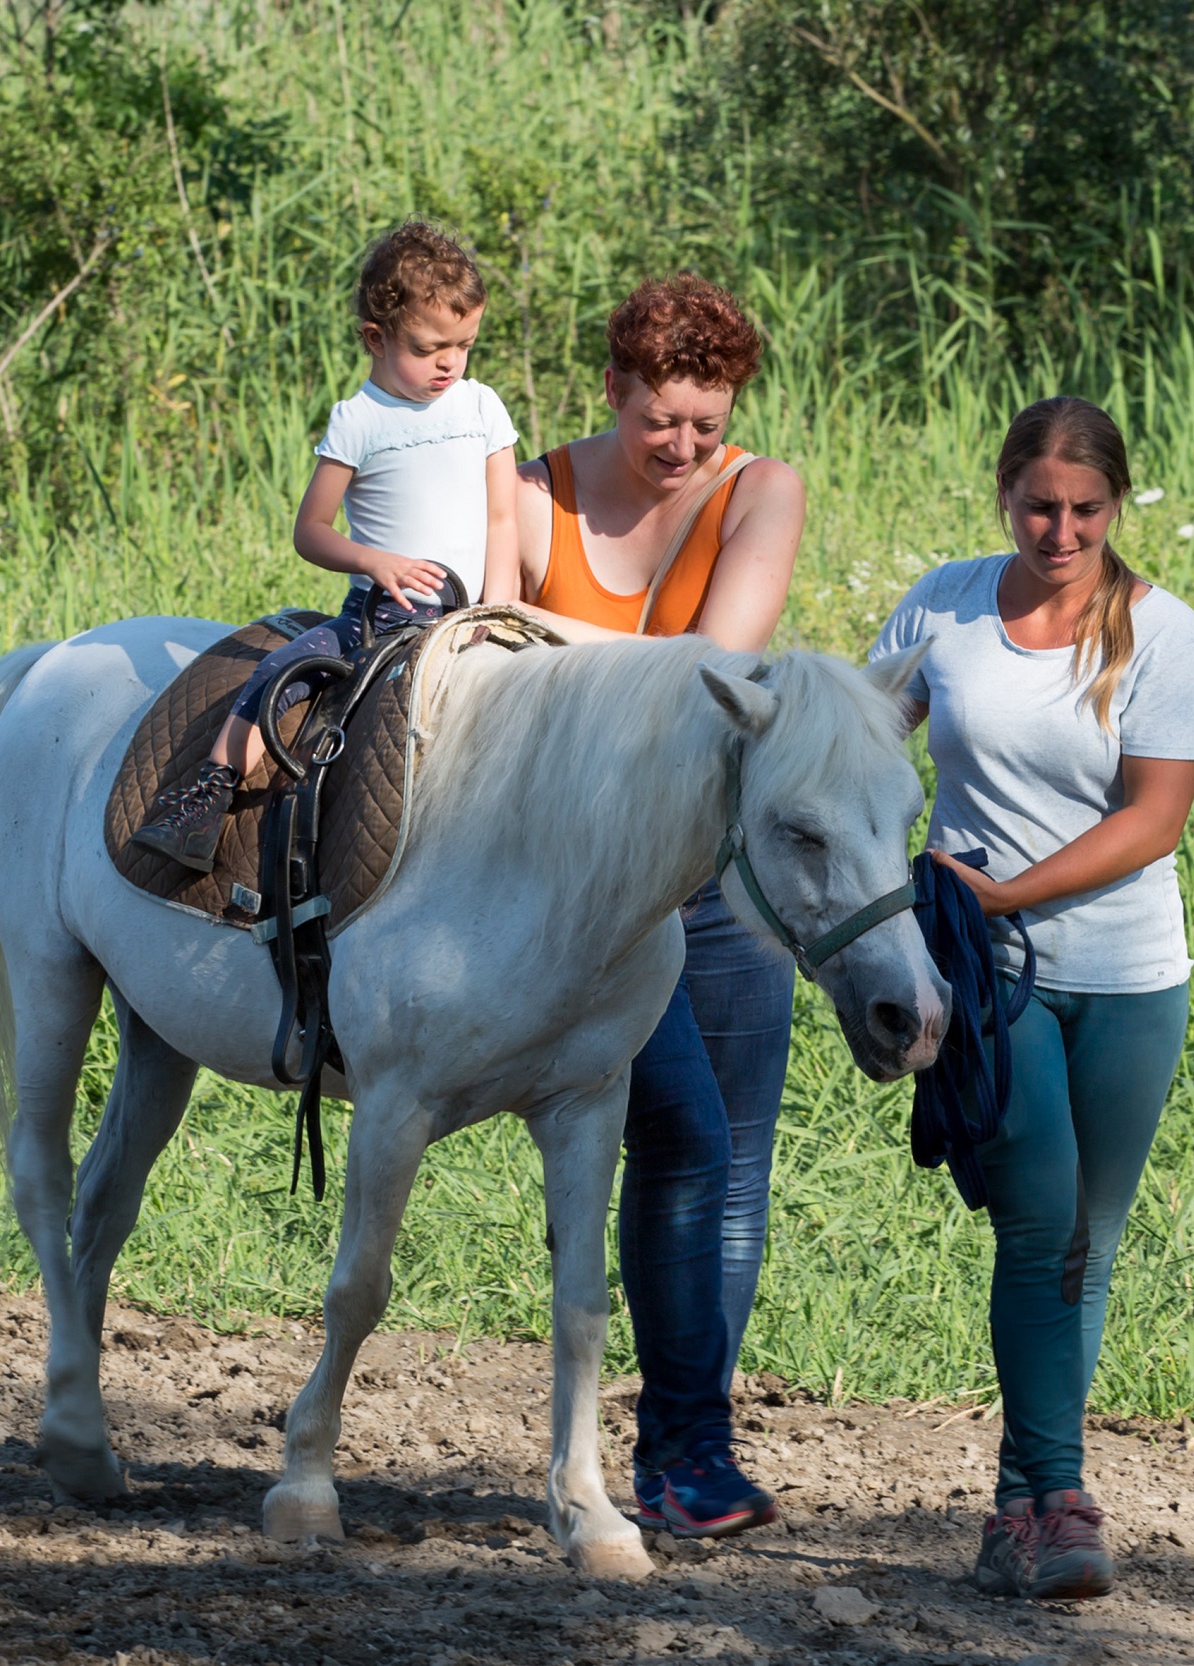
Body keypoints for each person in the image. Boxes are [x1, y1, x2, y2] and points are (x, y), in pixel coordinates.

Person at [870, 396, 1194, 1602]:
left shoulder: (1163, 632)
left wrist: (1003, 890)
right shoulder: (944, 605)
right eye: (1037, 506)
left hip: (1127, 975)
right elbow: (864, 741)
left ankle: (1017, 1508)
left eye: (1084, 511)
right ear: (1002, 492)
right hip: (987, 972)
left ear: (1117, 507)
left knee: (1088, 1242)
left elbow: (1152, 818)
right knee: (1037, 1223)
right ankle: (1063, 1503)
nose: (1059, 531)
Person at [509, 274, 807, 1538]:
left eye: (708, 420)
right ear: (614, 390)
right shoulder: (532, 490)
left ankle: (689, 1449)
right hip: (587, 881)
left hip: (722, 873)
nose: (686, 447)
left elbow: (716, 665)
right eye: (662, 420)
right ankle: (677, 1448)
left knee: (734, 1162)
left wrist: (542, 635)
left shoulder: (763, 489)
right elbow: (477, 653)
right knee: (679, 1136)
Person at [130, 221, 520, 870]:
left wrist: (496, 611)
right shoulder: (360, 421)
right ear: (377, 338)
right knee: (279, 673)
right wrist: (376, 562)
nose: (450, 362)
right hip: (381, 616)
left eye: (465, 344)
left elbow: (503, 519)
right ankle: (206, 795)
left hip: (472, 613)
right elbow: (311, 530)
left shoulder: (481, 408)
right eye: (429, 348)